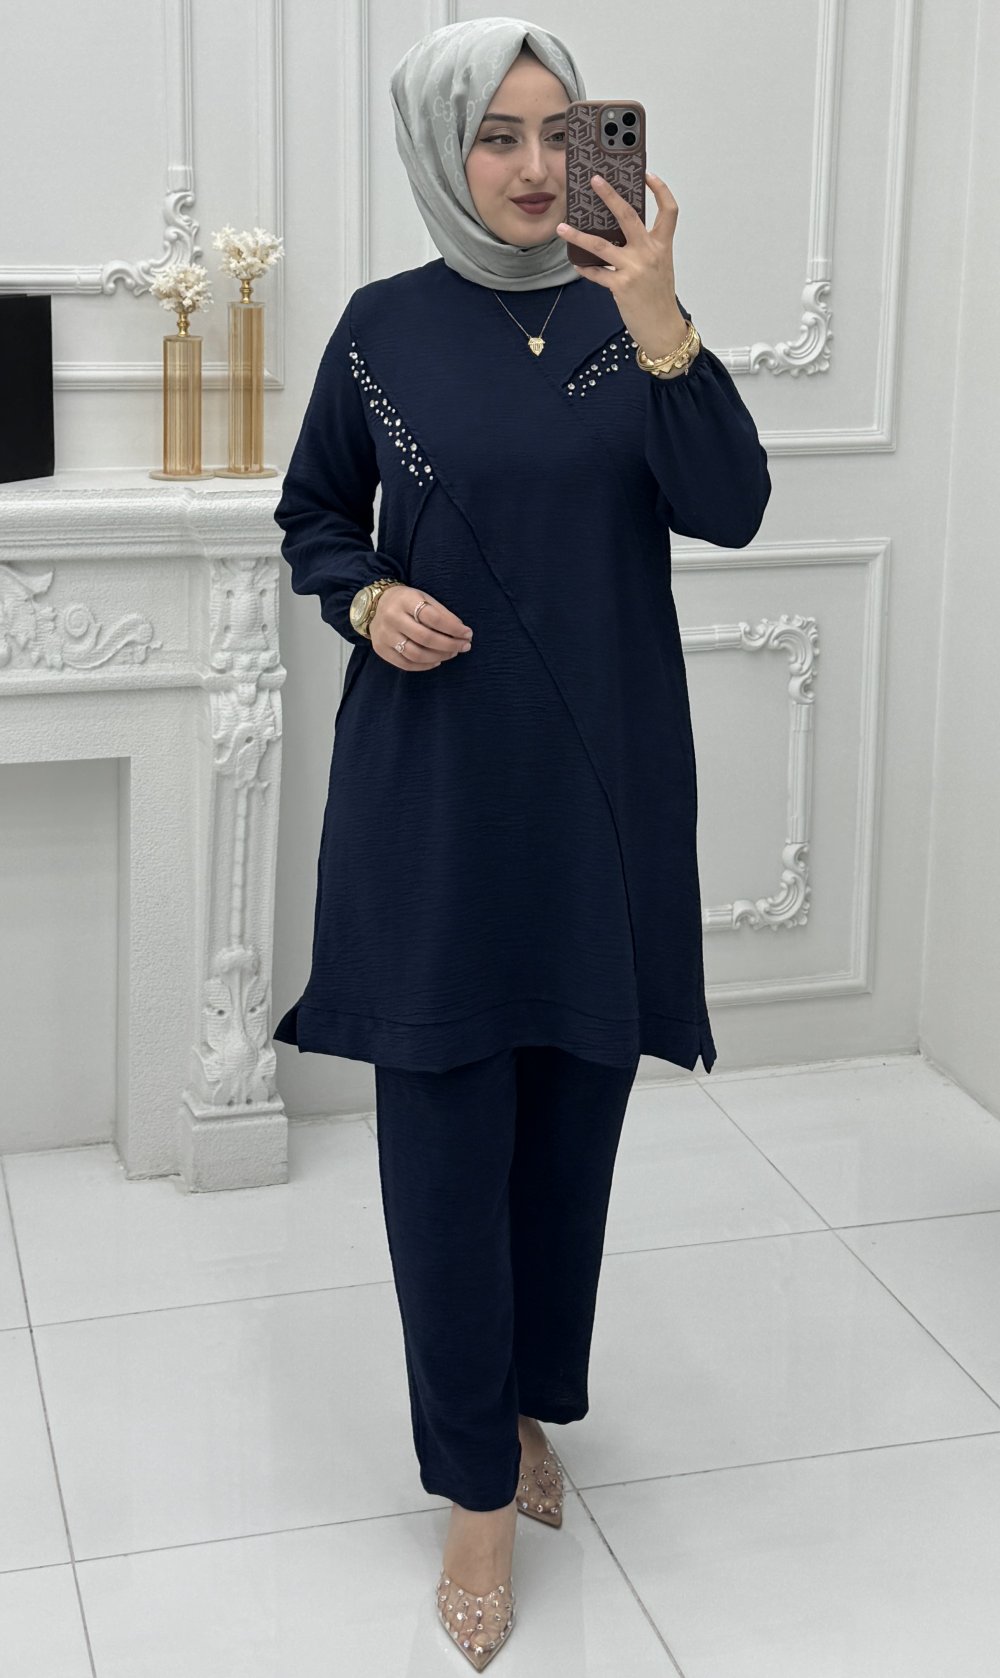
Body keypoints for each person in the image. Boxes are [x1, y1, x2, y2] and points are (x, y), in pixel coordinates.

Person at [271, 16, 771, 1669]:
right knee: (441, 1150)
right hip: (433, 794)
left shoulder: (636, 319)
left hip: (600, 792)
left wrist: (662, 320)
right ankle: (474, 1491)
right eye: (498, 134)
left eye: (563, 131)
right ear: (443, 149)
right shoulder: (381, 329)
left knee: (570, 1135)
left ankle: (529, 1403)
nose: (540, 166)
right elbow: (314, 517)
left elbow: (733, 504)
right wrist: (366, 598)